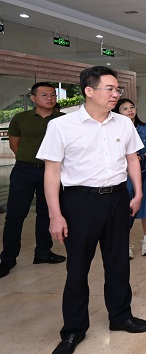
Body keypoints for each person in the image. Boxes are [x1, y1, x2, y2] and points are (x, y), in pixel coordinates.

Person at [37, 66, 146, 354]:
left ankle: (121, 316)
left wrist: (137, 192)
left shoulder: (123, 123)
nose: (116, 94)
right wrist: (55, 214)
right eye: (109, 89)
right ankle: (74, 330)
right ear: (89, 91)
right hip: (80, 202)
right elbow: (52, 172)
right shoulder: (62, 126)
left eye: (117, 89)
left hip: (117, 198)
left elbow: (132, 159)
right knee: (77, 268)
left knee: (118, 262)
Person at [0, 82, 66, 278]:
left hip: (52, 172)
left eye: (53, 95)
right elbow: (15, 145)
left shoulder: (63, 119)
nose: (50, 98)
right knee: (15, 215)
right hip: (24, 172)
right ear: (33, 98)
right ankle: (8, 258)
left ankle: (43, 252)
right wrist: (29, 160)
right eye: (44, 95)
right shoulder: (21, 118)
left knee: (46, 213)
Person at [114, 99, 146, 259]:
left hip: (145, 167)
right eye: (124, 108)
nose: (129, 110)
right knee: (124, 206)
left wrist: (145, 155)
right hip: (123, 169)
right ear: (117, 112)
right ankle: (125, 243)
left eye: (131, 107)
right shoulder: (115, 129)